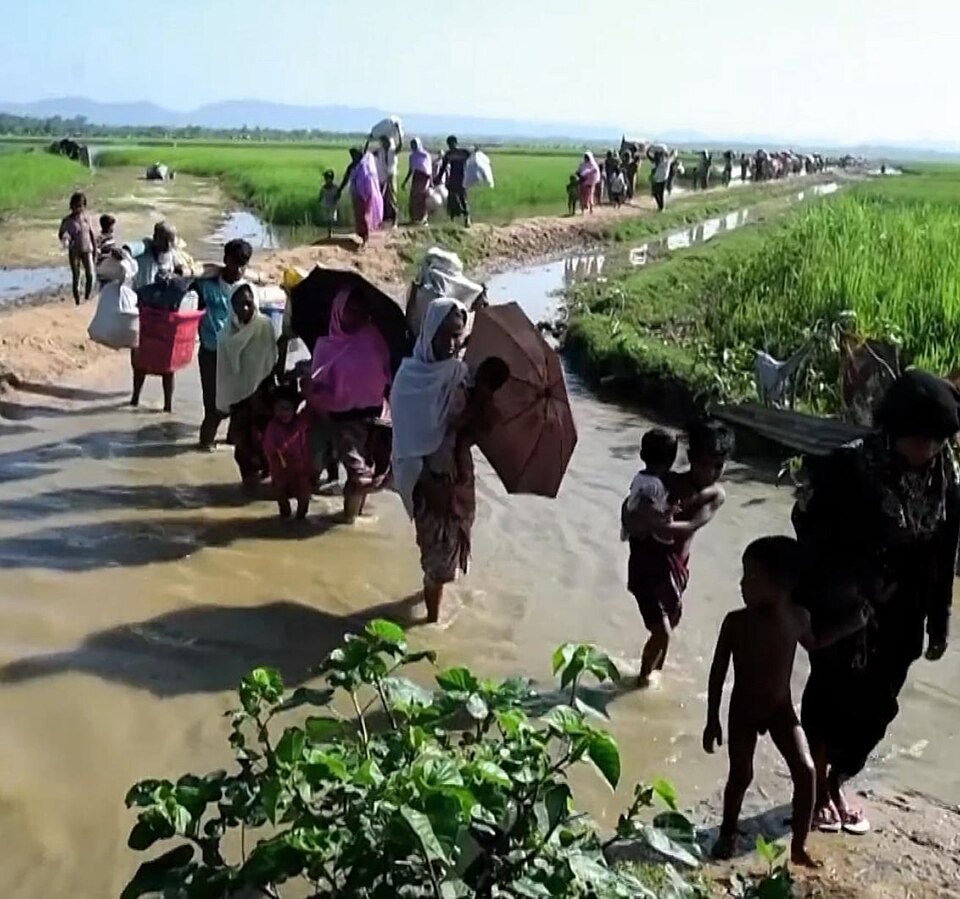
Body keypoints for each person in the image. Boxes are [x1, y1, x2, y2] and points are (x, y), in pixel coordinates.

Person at [792, 370, 960, 835]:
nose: (930, 451)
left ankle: (840, 777)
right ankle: (817, 787)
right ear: (896, 428)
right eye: (922, 439)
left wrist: (940, 620)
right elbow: (805, 525)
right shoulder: (848, 468)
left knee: (878, 706)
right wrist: (827, 595)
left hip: (903, 612)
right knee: (831, 694)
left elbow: (944, 552)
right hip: (847, 604)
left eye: (939, 441)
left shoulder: (945, 480)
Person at [703, 536, 858, 866]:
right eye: (744, 576)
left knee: (806, 771)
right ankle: (728, 831)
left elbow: (815, 643)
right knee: (740, 776)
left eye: (752, 578)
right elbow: (717, 672)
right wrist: (712, 718)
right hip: (743, 711)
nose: (742, 584)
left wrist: (852, 623)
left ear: (783, 584)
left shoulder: (798, 618)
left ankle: (799, 847)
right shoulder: (736, 622)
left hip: (780, 710)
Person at [391, 299, 508, 623]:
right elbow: (405, 442)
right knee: (437, 555)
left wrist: (482, 396)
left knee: (451, 546)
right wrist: (428, 484)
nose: (453, 343)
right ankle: (431, 622)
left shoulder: (460, 375)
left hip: (458, 476)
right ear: (429, 332)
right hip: (425, 477)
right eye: (445, 335)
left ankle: (432, 591)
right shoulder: (408, 379)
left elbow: (476, 429)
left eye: (458, 335)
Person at [623, 419, 734, 684]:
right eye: (707, 464)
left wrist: (661, 522)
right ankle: (641, 681)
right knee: (663, 633)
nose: (713, 472)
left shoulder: (714, 494)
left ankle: (654, 675)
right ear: (691, 457)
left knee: (669, 626)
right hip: (647, 566)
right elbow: (630, 507)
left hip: (676, 572)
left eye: (719, 465)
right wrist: (640, 519)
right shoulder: (666, 481)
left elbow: (691, 526)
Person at [309, 288, 392, 523]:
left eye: (361, 312)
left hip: (374, 415)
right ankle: (348, 521)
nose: (356, 316)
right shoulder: (326, 346)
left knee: (368, 469)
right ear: (338, 312)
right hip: (341, 417)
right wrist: (312, 389)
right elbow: (317, 385)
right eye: (350, 311)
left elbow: (388, 371)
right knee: (359, 474)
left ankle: (351, 515)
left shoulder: (374, 337)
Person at [216, 282, 278, 487]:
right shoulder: (226, 333)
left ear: (255, 304)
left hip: (263, 396)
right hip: (240, 400)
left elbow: (272, 359)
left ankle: (269, 481)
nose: (244, 309)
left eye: (248, 304)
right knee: (243, 447)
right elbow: (224, 372)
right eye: (238, 304)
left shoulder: (265, 325)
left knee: (268, 443)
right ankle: (248, 485)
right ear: (230, 306)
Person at [195, 239, 253, 449]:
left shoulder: (249, 289)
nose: (237, 269)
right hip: (212, 352)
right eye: (233, 263)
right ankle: (205, 445)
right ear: (225, 260)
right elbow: (184, 278)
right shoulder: (207, 285)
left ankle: (231, 440)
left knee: (239, 405)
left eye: (242, 265)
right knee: (214, 407)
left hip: (240, 353)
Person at [129, 222, 181, 413]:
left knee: (168, 362)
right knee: (140, 358)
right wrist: (122, 252)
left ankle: (168, 406)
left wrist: (176, 275)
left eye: (171, 240)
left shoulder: (172, 255)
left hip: (166, 313)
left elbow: (183, 271)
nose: (168, 244)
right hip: (145, 311)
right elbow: (130, 250)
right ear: (155, 237)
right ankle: (135, 398)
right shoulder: (144, 250)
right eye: (164, 240)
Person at [262, 383, 313, 520]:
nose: (283, 413)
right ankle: (285, 516)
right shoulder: (272, 426)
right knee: (280, 495)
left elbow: (311, 408)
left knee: (304, 496)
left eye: (287, 409)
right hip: (280, 468)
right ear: (273, 410)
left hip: (301, 468)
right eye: (279, 409)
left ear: (294, 409)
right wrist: (277, 453)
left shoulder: (301, 421)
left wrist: (307, 391)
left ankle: (301, 518)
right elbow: (268, 447)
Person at [58, 191, 96, 305]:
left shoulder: (86, 218)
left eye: (80, 206)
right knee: (76, 276)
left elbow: (91, 234)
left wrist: (95, 248)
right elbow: (61, 234)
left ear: (84, 206)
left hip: (87, 249)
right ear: (71, 206)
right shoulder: (67, 221)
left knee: (91, 275)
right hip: (74, 251)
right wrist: (65, 238)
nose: (78, 208)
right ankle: (77, 301)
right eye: (76, 206)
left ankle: (87, 297)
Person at [348, 148, 384, 246]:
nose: (352, 157)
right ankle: (362, 235)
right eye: (351, 155)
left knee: (364, 216)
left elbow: (369, 180)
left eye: (354, 155)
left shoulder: (364, 166)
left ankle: (366, 238)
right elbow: (346, 177)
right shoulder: (352, 166)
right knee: (358, 216)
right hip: (356, 193)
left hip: (365, 194)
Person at [436, 135, 472, 226]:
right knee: (452, 199)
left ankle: (467, 219)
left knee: (462, 198)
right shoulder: (449, 154)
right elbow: (443, 167)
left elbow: (472, 158)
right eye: (449, 144)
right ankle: (452, 221)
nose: (450, 146)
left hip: (462, 179)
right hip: (453, 179)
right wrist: (438, 178)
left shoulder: (463, 153)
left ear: (456, 143)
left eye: (451, 144)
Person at [403, 138, 433, 225]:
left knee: (422, 199)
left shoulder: (426, 155)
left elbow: (429, 170)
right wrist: (405, 181)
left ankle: (423, 219)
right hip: (416, 178)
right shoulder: (412, 156)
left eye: (415, 144)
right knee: (413, 199)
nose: (413, 146)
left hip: (424, 179)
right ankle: (414, 219)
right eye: (412, 145)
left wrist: (431, 182)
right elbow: (411, 170)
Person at [376, 134, 399, 228]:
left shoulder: (393, 151)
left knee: (392, 199)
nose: (385, 143)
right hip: (381, 177)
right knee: (382, 198)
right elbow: (367, 154)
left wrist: (398, 132)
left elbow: (400, 146)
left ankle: (395, 221)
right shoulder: (380, 151)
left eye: (386, 141)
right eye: (383, 142)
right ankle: (384, 220)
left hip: (390, 176)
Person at [318, 170, 340, 240]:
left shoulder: (335, 188)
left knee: (331, 219)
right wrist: (320, 200)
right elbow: (321, 195)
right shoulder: (324, 188)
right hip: (326, 204)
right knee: (328, 219)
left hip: (332, 204)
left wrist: (336, 198)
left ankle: (330, 233)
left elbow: (338, 195)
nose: (327, 180)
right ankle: (329, 233)